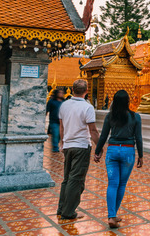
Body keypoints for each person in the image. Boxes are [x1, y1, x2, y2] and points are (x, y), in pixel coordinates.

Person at [94, 90, 143, 228]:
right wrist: (141, 155)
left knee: (112, 184)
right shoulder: (135, 117)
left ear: (114, 101)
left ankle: (112, 215)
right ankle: (113, 215)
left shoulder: (110, 117)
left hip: (112, 151)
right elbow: (138, 138)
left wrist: (97, 152)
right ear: (128, 101)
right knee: (121, 184)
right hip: (128, 152)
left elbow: (103, 136)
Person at [57, 79, 99, 221]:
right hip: (81, 146)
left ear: (72, 90)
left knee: (67, 179)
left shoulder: (64, 105)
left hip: (68, 145)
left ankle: (62, 207)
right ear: (87, 91)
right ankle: (68, 212)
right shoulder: (88, 107)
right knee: (76, 180)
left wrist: (63, 143)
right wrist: (99, 147)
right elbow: (93, 130)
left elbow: (61, 127)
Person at [46, 87, 65, 152]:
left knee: (60, 134)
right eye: (59, 93)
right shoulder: (51, 101)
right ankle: (55, 147)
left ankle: (56, 144)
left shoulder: (63, 102)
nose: (61, 94)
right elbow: (47, 110)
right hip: (54, 120)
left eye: (62, 93)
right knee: (55, 133)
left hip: (62, 121)